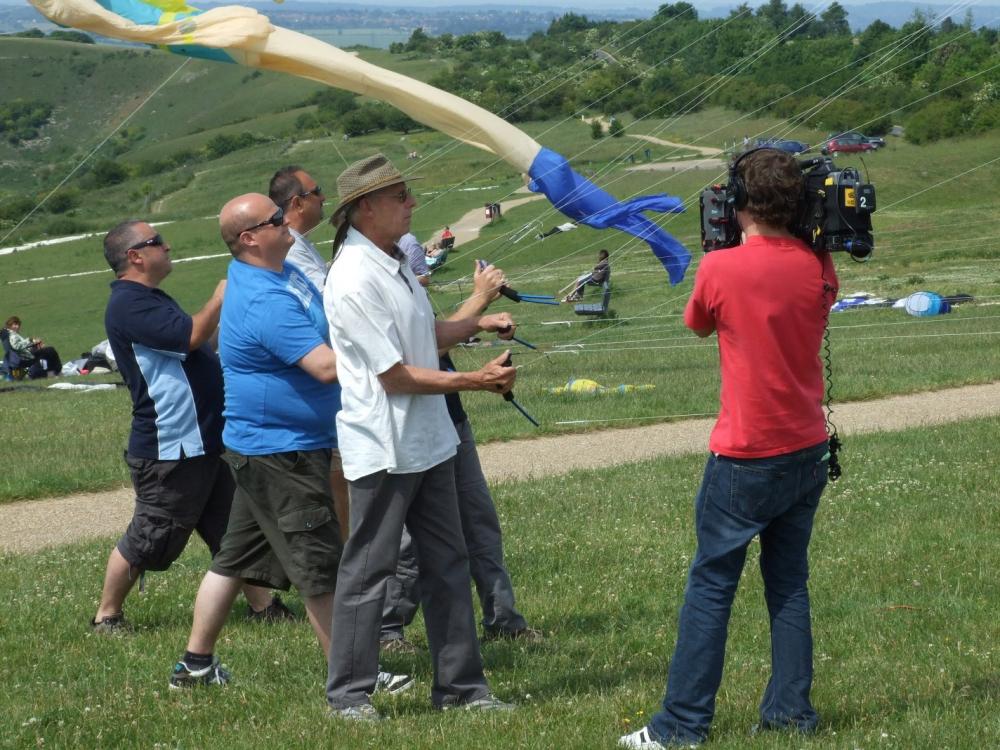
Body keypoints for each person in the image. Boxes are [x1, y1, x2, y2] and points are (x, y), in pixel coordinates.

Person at [619, 148, 838, 748]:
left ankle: (681, 725)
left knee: (712, 587)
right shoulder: (818, 265)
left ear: (739, 201)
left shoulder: (721, 268)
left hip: (745, 453)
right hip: (806, 447)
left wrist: (727, 251)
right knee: (788, 584)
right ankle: (791, 714)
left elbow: (698, 324)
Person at [324, 153, 518, 719]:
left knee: (447, 563)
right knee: (368, 571)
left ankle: (462, 689)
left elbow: (422, 334)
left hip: (429, 441)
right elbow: (394, 375)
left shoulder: (392, 261)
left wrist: (475, 321)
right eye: (399, 196)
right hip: (385, 447)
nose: (412, 203)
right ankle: (348, 696)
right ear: (365, 208)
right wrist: (476, 380)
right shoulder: (353, 277)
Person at [167, 195, 350, 688]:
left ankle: (195, 665)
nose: (286, 220)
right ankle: (355, 680)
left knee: (233, 559)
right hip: (282, 452)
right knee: (318, 567)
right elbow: (325, 367)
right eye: (275, 219)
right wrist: (388, 353)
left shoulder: (279, 273)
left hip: (264, 448)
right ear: (249, 239)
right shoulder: (265, 299)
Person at [94, 221, 281, 634]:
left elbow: (195, 345)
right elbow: (191, 336)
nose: (167, 246)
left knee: (233, 528)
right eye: (156, 241)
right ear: (134, 256)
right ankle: (107, 615)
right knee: (153, 533)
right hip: (172, 444)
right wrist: (219, 297)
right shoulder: (128, 304)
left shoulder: (150, 299)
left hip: (204, 439)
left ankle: (264, 606)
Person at [380, 259, 541, 654]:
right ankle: (387, 631)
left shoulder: (408, 284)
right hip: (412, 427)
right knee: (411, 542)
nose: (423, 275)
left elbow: (436, 333)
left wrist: (481, 317)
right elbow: (420, 351)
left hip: (450, 418)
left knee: (480, 523)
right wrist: (480, 299)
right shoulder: (369, 281)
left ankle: (504, 621)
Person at [268, 165, 349, 542]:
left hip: (326, 381)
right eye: (317, 192)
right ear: (298, 203)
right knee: (338, 483)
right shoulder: (291, 251)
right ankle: (345, 553)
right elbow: (331, 301)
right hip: (317, 382)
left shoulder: (301, 245)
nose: (324, 198)